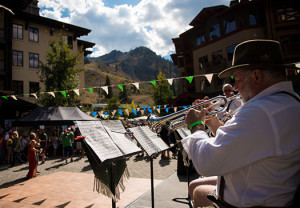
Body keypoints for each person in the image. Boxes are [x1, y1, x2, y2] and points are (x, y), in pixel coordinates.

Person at [182, 39, 300, 207]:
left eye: (237, 79)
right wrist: (213, 122)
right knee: (195, 185)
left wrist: (195, 125)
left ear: (257, 76)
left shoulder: (260, 111)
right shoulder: (289, 101)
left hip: (254, 201)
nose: (235, 88)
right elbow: (242, 142)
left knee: (197, 192)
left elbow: (205, 162)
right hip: (270, 184)